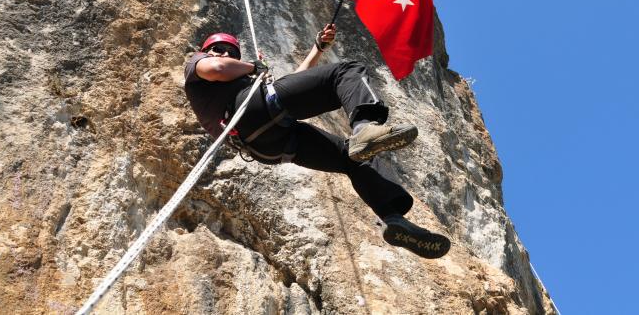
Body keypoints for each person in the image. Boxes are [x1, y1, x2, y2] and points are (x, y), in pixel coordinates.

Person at [183, 24, 451, 259]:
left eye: (232, 52)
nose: (226, 54)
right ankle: (365, 124)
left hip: (270, 143)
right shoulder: (197, 64)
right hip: (252, 112)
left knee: (351, 157)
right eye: (219, 48)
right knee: (347, 71)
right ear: (207, 49)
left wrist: (317, 49)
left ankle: (391, 217)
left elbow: (294, 83)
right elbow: (216, 67)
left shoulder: (246, 81)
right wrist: (254, 67)